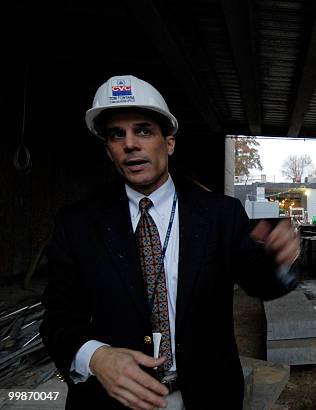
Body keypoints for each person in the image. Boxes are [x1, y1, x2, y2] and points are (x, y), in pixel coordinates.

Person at [40, 75, 300, 409]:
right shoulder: (78, 224)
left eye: (143, 130)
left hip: (206, 396)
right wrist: (96, 357)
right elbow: (58, 318)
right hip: (114, 401)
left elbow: (260, 282)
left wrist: (280, 260)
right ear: (108, 150)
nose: (130, 144)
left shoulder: (220, 214)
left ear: (170, 142)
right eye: (116, 135)